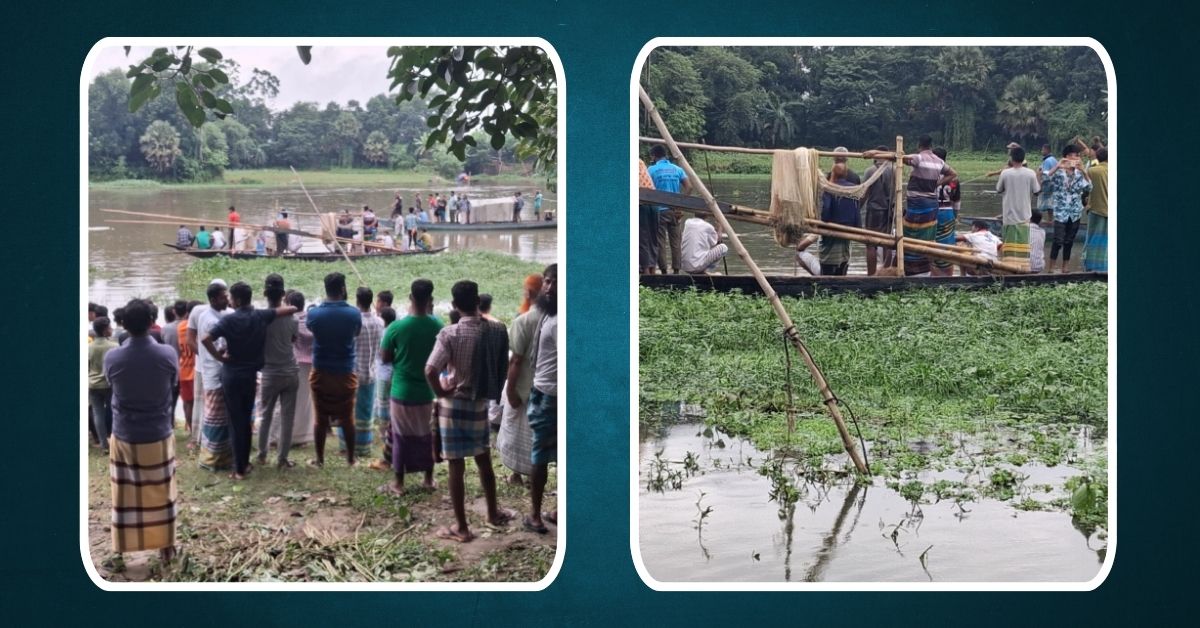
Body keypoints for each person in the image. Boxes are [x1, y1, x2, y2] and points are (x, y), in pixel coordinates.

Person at [425, 281, 513, 542]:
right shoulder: (497, 330)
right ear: (477, 302)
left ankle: (462, 527)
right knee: (483, 458)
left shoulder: (449, 334)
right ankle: (493, 513)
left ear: (454, 305)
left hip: (453, 404)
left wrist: (441, 394)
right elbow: (502, 369)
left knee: (456, 465)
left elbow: (430, 370)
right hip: (479, 403)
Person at [103, 299, 179, 564]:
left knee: (125, 494)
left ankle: (121, 548)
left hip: (125, 434)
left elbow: (112, 384)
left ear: (123, 323)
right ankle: (166, 547)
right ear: (151, 322)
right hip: (157, 432)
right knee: (162, 492)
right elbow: (173, 383)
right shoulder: (167, 354)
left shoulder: (112, 356)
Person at [202, 282, 297, 480]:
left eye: (230, 297)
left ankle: (239, 469)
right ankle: (244, 463)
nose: (228, 300)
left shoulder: (229, 320)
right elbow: (292, 308)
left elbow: (205, 339)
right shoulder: (260, 315)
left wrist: (220, 358)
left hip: (231, 375)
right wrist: (290, 305)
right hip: (250, 376)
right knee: (245, 420)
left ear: (236, 300)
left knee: (236, 422)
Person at [378, 279, 443, 494]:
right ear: (430, 300)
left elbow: (385, 358)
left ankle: (398, 483)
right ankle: (428, 478)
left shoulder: (397, 327)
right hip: (427, 390)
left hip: (402, 390)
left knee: (400, 435)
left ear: (411, 298)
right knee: (426, 433)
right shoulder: (438, 326)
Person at [306, 273, 363, 467]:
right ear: (343, 289)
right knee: (347, 418)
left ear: (326, 289)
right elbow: (356, 333)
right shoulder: (354, 313)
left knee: (320, 418)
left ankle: (320, 460)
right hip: (346, 371)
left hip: (320, 371)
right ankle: (350, 459)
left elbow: (312, 330)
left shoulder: (314, 314)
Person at [499, 273, 544, 487]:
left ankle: (518, 474)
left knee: (517, 431)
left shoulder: (524, 320)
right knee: (533, 434)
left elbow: (515, 360)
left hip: (522, 384)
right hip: (542, 386)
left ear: (530, 292)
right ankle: (526, 475)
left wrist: (510, 391)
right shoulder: (550, 317)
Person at [523, 264, 558, 534]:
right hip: (544, 390)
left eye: (555, 282)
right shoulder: (548, 312)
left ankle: (535, 514)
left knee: (540, 454)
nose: (549, 287)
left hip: (550, 394)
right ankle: (556, 510)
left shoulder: (560, 320)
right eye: (546, 281)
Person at [257, 274, 301, 469]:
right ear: (283, 294)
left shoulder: (260, 319)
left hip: (269, 373)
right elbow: (293, 341)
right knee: (287, 417)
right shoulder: (292, 319)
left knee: (265, 415)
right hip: (290, 371)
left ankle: (262, 454)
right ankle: (282, 459)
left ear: (265, 293)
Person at [902, 135, 957, 276]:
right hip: (932, 206)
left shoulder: (919, 157)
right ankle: (928, 269)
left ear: (919, 145)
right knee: (928, 237)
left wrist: (900, 154)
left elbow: (901, 159)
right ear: (931, 146)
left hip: (917, 204)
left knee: (911, 233)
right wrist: (936, 183)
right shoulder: (939, 161)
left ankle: (914, 268)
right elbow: (953, 173)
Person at [338, 287, 382, 460]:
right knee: (365, 411)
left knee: (348, 410)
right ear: (370, 300)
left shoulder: (353, 321)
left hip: (353, 372)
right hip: (371, 371)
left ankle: (346, 446)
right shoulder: (379, 322)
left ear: (357, 300)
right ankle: (363, 447)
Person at [194, 281, 232, 471]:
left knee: (220, 416)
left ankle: (222, 456)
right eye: (224, 296)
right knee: (215, 417)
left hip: (214, 371)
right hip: (215, 373)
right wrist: (223, 359)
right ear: (214, 299)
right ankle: (211, 459)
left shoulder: (214, 314)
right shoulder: (210, 319)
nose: (227, 299)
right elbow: (215, 346)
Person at [1043, 145, 1092, 273]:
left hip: (1075, 212)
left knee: (1069, 240)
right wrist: (1057, 166)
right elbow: (1045, 179)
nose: (1074, 158)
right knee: (1058, 240)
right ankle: (1051, 268)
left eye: (1076, 155)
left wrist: (1084, 171)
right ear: (1065, 157)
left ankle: (1065, 267)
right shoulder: (1059, 173)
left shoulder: (1079, 174)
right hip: (1060, 211)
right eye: (1071, 155)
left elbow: (1089, 189)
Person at [278, 290, 316, 450]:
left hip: (293, 363)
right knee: (306, 401)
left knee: (289, 400)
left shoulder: (289, 320)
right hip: (310, 364)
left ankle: (289, 434)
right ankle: (304, 435)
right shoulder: (311, 319)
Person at [995, 146, 1041, 272]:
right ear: (1023, 158)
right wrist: (1039, 176)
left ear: (1011, 158)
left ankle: (1008, 268)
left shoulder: (1005, 173)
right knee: (1022, 245)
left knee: (1009, 245)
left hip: (1009, 215)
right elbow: (1037, 191)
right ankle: (1023, 269)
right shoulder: (1031, 173)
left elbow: (999, 189)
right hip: (1025, 216)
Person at [647, 146, 689, 275]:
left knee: (660, 242)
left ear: (654, 156)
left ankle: (664, 271)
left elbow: (646, 189)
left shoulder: (651, 170)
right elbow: (689, 187)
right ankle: (676, 270)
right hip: (674, 211)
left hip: (659, 210)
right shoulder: (677, 169)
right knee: (676, 242)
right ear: (665, 156)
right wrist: (679, 205)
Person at [368, 304, 398, 472]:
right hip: (394, 373)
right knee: (392, 403)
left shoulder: (383, 332)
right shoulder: (395, 332)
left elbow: (382, 355)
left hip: (382, 374)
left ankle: (383, 432)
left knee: (382, 404)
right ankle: (390, 429)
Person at [818, 163, 861, 276]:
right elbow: (857, 210)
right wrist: (857, 227)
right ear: (846, 174)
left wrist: (822, 224)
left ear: (833, 174)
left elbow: (826, 209)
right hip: (848, 230)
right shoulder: (853, 189)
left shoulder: (830, 188)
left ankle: (826, 282)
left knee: (828, 260)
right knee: (844, 256)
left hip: (832, 228)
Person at [860, 146, 895, 274]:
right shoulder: (894, 170)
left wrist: (858, 208)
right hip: (890, 212)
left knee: (870, 244)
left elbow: (864, 193)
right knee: (887, 243)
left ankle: (871, 274)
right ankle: (886, 271)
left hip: (874, 211)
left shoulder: (870, 171)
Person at [88, 317, 117, 455]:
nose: (111, 329)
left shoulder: (89, 347)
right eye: (110, 327)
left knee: (97, 413)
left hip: (93, 385)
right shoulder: (113, 346)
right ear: (106, 330)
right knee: (112, 411)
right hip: (109, 384)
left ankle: (104, 446)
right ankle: (114, 440)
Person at [930, 147, 961, 276]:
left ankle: (934, 272)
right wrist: (955, 216)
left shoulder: (929, 175)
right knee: (948, 243)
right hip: (948, 212)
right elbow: (957, 200)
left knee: (932, 242)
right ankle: (948, 274)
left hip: (932, 212)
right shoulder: (953, 179)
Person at [1084, 148, 1109, 272]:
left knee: (1093, 238)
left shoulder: (1092, 171)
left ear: (1097, 158)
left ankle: (1091, 266)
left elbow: (1085, 189)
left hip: (1096, 210)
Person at [177, 301, 198, 445]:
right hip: (196, 371)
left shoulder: (180, 327)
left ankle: (192, 432)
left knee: (187, 404)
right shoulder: (196, 327)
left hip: (183, 369)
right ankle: (199, 434)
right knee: (199, 405)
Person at [637, 158, 660, 274]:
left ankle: (646, 271)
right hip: (653, 201)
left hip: (641, 203)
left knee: (642, 238)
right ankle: (653, 269)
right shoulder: (640, 161)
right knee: (653, 238)